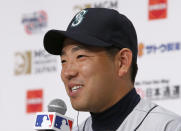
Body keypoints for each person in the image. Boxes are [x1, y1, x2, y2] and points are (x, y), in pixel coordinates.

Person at [43, 8, 181, 131]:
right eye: (64, 61)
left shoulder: (168, 126)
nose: (67, 72)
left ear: (122, 62)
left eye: (80, 56)